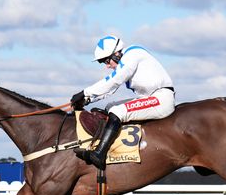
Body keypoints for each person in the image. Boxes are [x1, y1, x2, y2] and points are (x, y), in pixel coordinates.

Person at [70, 35, 175, 169]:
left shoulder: (133, 54)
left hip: (161, 99)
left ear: (116, 54)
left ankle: (99, 154)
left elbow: (113, 81)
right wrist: (87, 100)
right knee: (110, 107)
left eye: (107, 61)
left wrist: (84, 93)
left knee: (117, 111)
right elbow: (111, 90)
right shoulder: (126, 60)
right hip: (152, 97)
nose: (107, 66)